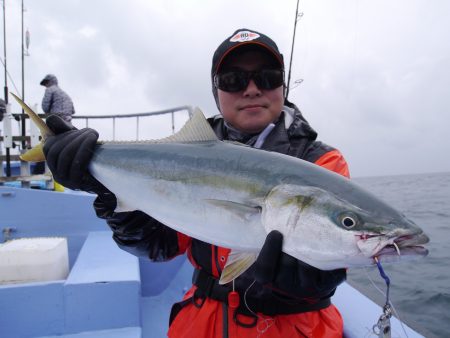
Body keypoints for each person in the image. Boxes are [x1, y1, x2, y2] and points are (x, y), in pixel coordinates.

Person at [42, 29, 350, 337]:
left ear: (283, 84)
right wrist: (111, 193)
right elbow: (160, 246)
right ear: (217, 92)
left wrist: (311, 285)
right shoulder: (183, 156)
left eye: (267, 77)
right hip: (201, 320)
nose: (252, 89)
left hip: (292, 327)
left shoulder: (321, 164)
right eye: (233, 80)